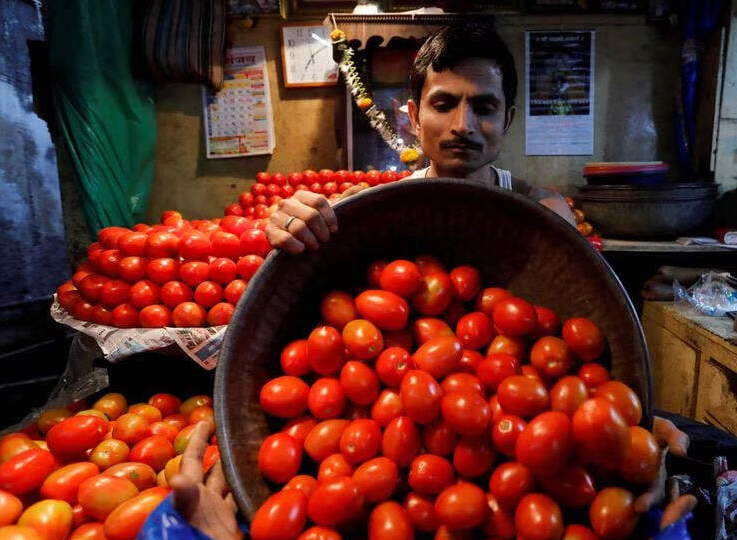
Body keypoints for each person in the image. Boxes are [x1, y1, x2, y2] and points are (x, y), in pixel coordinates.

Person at [167, 23, 696, 540]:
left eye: (484, 106)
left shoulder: (544, 209)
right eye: (443, 104)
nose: (463, 123)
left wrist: (632, 436)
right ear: (413, 117)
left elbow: (592, 342)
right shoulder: (374, 212)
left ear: (507, 118)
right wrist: (288, 225)